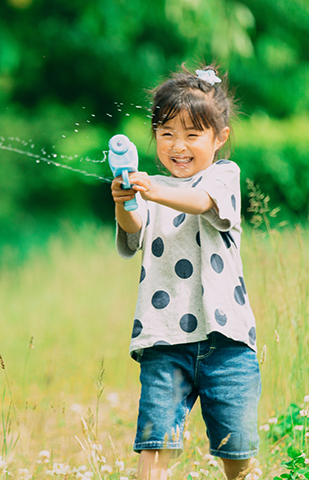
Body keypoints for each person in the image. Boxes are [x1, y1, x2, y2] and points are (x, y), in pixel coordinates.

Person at [111, 65, 260, 480]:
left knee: (238, 451)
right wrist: (125, 201)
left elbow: (199, 202)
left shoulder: (223, 176)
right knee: (155, 443)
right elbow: (133, 229)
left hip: (226, 343)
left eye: (192, 135)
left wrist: (154, 190)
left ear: (219, 138)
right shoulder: (150, 186)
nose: (178, 146)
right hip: (163, 338)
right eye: (167, 133)